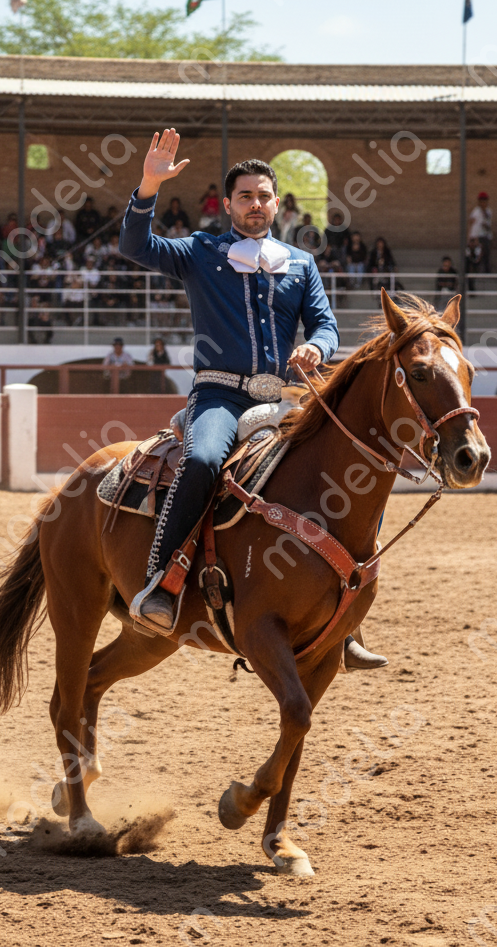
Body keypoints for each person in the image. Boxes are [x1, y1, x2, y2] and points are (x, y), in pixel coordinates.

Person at [118, 130, 343, 642]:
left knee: (346, 460)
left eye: (264, 195)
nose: (256, 204)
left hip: (281, 398)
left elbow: (326, 326)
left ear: (277, 203)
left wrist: (318, 348)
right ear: (229, 205)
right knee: (200, 462)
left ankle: (346, 608)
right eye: (246, 196)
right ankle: (163, 582)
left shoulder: (302, 264)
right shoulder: (201, 251)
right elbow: (136, 246)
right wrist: (149, 184)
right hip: (219, 394)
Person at [468, 191, 492, 272]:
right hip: (477, 236)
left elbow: (488, 224)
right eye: (481, 201)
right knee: (477, 254)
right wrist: (472, 237)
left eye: (485, 201)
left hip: (486, 235)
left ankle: (487, 271)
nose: (483, 203)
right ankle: (475, 270)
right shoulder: (476, 211)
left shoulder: (488, 211)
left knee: (486, 253)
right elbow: (472, 224)